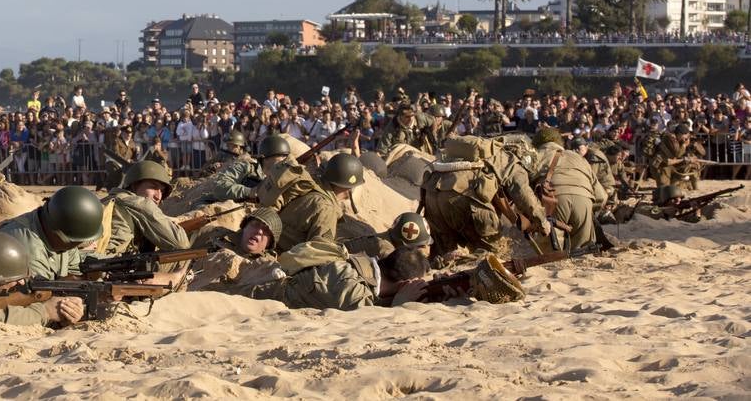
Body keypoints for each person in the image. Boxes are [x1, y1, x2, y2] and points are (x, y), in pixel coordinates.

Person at [248, 212, 434, 311]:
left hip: (262, 282)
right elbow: (368, 321)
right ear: (403, 284)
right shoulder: (352, 291)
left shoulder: (358, 264)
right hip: (253, 299)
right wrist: (399, 304)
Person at [421, 135, 554, 260]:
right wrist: (542, 220)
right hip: (463, 198)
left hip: (433, 196)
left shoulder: (483, 155)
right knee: (495, 252)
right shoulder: (511, 162)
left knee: (443, 253)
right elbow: (523, 193)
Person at [0, 185, 103, 280]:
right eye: (76, 242)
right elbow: (39, 295)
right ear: (60, 235)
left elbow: (74, 270)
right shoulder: (27, 248)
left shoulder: (59, 230)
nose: (79, 244)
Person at [264, 152, 365, 250]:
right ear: (348, 188)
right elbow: (318, 251)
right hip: (281, 252)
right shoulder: (327, 208)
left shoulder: (311, 184)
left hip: (271, 238)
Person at [528, 127, 607, 250]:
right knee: (581, 253)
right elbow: (601, 196)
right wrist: (589, 209)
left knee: (548, 255)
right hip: (584, 201)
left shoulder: (536, 155)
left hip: (553, 200)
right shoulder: (578, 157)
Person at [104, 160, 190, 257]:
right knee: (185, 257)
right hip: (108, 268)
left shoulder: (109, 200)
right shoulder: (141, 203)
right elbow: (181, 244)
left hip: (96, 262)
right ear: (135, 185)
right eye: (153, 187)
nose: (158, 196)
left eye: (161, 191)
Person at [201, 131, 265, 203]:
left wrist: (224, 166)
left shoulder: (246, 159)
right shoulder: (224, 155)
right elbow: (205, 167)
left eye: (229, 146)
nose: (227, 148)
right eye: (227, 145)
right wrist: (212, 167)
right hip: (216, 185)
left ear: (237, 146)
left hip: (235, 192)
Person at [650, 123, 702, 202]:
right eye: (686, 136)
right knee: (664, 189)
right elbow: (677, 153)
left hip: (670, 164)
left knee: (673, 187)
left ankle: (681, 187)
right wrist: (684, 145)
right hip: (661, 166)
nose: (686, 138)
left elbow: (677, 156)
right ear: (680, 134)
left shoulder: (677, 139)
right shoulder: (670, 139)